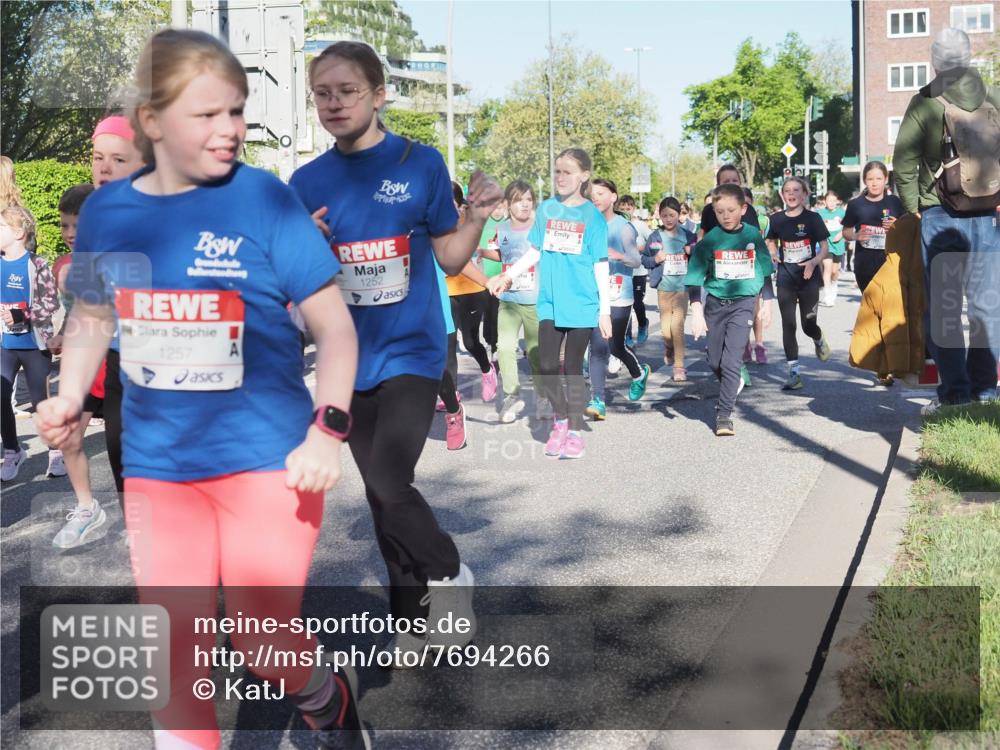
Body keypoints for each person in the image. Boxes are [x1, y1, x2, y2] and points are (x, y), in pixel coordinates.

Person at [38, 29, 368, 749]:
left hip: (269, 458)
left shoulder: (265, 201)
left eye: (237, 113)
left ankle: (326, 697)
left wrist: (328, 428)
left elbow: (337, 331)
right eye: (207, 115)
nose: (229, 131)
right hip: (162, 466)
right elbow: (93, 316)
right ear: (153, 121)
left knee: (259, 637)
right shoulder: (108, 212)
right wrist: (67, 396)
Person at [291, 40, 502, 656]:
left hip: (413, 349)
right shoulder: (305, 182)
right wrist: (304, 244)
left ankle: (449, 570)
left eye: (347, 91)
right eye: (322, 93)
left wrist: (479, 216)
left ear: (378, 95)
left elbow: (449, 255)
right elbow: (291, 280)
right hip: (346, 361)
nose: (334, 103)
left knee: (388, 481)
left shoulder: (420, 162)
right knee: (382, 499)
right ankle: (409, 622)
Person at [893, 27, 1000, 412]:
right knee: (988, 306)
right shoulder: (993, 97)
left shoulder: (926, 101)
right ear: (969, 57)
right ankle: (986, 391)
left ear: (934, 61)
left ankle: (955, 395)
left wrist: (914, 206)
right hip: (988, 214)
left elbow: (903, 161)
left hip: (940, 214)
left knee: (946, 308)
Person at [488, 147, 610, 459]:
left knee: (570, 367)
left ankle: (574, 430)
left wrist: (605, 310)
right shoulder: (546, 211)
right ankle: (559, 420)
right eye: (557, 171)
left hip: (582, 303)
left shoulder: (593, 217)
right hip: (550, 301)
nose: (560, 177)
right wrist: (509, 276)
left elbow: (600, 264)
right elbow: (535, 251)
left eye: (567, 171)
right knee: (544, 366)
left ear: (583, 176)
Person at [49, 183, 117, 549]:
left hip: (122, 370)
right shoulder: (64, 267)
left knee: (132, 455)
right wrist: (62, 334)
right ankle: (87, 507)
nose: (71, 234)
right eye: (64, 226)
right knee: (70, 438)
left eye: (79, 225)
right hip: (87, 372)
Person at [685, 184, 774, 436]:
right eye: (720, 211)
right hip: (715, 303)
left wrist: (767, 303)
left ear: (743, 209)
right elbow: (694, 278)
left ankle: (724, 415)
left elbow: (765, 270)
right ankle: (734, 382)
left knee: (731, 360)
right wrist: (697, 311)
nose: (725, 215)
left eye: (731, 210)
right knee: (714, 360)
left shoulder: (752, 236)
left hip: (743, 303)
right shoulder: (710, 239)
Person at [1, 205, 61, 481]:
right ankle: (13, 451)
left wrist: (20, 313)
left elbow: (51, 302)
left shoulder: (37, 264)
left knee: (39, 402)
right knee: (1, 397)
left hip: (34, 344)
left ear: (17, 232)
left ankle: (56, 451)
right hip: (5, 344)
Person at [583, 180, 649, 420]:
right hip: (595, 296)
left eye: (601, 194)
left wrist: (616, 255)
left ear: (613, 197)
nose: (596, 198)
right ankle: (598, 399)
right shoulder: (587, 225)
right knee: (598, 347)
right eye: (593, 194)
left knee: (615, 346)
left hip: (619, 295)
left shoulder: (623, 227)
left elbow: (635, 260)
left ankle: (639, 373)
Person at [480, 180, 543, 423]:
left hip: (534, 301)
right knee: (504, 348)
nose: (524, 205)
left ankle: (543, 396)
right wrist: (480, 251)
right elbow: (500, 253)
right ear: (508, 204)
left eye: (528, 200)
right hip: (508, 301)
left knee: (536, 353)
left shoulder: (539, 228)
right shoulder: (503, 229)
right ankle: (511, 395)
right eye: (519, 200)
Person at [765, 177, 833, 391]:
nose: (791, 193)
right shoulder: (776, 219)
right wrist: (774, 253)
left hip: (808, 277)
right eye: (787, 190)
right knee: (789, 324)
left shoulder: (813, 219)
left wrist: (813, 263)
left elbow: (824, 248)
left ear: (804, 194)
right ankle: (794, 373)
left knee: (807, 324)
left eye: (796, 190)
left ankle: (818, 337)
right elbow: (770, 240)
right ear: (782, 195)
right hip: (786, 277)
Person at [699, 165, 768, 367]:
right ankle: (736, 358)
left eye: (734, 181)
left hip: (746, 270)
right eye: (725, 181)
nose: (731, 184)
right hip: (720, 273)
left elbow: (756, 239)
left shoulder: (748, 209)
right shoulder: (709, 210)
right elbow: (703, 236)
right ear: (718, 184)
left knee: (752, 308)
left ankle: (759, 343)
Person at [446, 182, 498, 404]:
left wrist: (489, 282)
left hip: (473, 289)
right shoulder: (434, 224)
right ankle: (451, 395)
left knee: (469, 342)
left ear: (460, 204)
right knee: (447, 343)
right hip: (447, 290)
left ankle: (487, 370)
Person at [643, 196, 696, 381]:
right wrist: (656, 260)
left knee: (677, 326)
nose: (668, 219)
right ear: (660, 216)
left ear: (678, 215)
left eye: (672, 215)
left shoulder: (688, 236)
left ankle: (679, 366)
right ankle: (669, 346)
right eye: (664, 215)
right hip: (663, 288)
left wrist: (692, 251)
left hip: (682, 288)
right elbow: (645, 259)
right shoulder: (655, 237)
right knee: (666, 329)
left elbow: (699, 256)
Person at [841, 161, 905, 293]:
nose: (874, 183)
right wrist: (855, 236)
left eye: (879, 179)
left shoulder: (895, 202)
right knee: (870, 308)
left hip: (891, 263)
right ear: (864, 180)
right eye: (870, 179)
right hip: (864, 265)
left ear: (886, 179)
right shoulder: (855, 204)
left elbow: (908, 230)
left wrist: (897, 226)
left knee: (889, 307)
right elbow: (845, 231)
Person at [617, 194, 651, 347]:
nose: (625, 211)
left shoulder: (640, 225)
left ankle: (643, 323)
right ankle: (627, 335)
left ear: (634, 209)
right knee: (625, 306)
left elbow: (654, 241)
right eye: (622, 208)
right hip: (623, 273)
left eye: (628, 208)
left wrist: (641, 248)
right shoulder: (617, 225)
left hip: (639, 272)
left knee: (637, 303)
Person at [817, 190, 846, 306]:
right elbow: (816, 228)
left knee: (834, 271)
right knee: (827, 269)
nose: (831, 203)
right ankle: (828, 295)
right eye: (829, 200)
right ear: (825, 201)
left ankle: (834, 286)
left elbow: (848, 227)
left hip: (838, 244)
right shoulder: (820, 213)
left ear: (837, 201)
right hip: (826, 244)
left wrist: (841, 234)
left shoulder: (842, 212)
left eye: (834, 201)